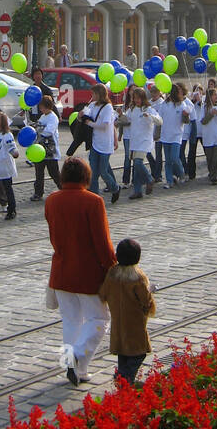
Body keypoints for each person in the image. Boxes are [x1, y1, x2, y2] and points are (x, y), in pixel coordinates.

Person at [45, 157, 116, 387]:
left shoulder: (52, 200)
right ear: (87, 175)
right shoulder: (93, 201)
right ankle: (77, 355)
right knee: (99, 318)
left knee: (70, 321)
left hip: (61, 271)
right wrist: (112, 267)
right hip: (87, 272)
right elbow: (102, 242)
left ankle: (76, 369)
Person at [98, 238, 156, 385]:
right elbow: (145, 301)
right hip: (135, 325)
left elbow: (103, 294)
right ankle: (125, 379)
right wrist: (151, 291)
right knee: (138, 354)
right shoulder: (138, 277)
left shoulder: (112, 273)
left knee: (123, 353)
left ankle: (123, 378)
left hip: (118, 324)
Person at [84, 83, 121, 203]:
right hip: (94, 143)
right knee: (93, 173)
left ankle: (115, 188)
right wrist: (81, 116)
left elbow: (105, 125)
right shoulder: (92, 104)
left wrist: (90, 123)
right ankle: (94, 198)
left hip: (105, 143)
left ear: (100, 94)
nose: (92, 96)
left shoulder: (108, 108)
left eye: (94, 93)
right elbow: (84, 115)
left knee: (104, 171)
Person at [124, 86, 157, 198]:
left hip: (145, 141)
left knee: (138, 162)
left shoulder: (148, 109)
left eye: (139, 98)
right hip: (135, 141)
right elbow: (126, 119)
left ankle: (149, 179)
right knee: (136, 167)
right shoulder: (132, 109)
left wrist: (150, 116)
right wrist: (118, 115)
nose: (137, 100)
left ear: (143, 98)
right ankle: (137, 191)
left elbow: (159, 121)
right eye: (135, 98)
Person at [29, 95, 62, 200]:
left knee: (54, 173)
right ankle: (38, 193)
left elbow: (49, 131)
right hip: (39, 149)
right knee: (39, 172)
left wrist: (38, 131)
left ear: (47, 106)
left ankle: (63, 188)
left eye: (42, 107)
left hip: (50, 150)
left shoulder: (53, 117)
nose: (40, 109)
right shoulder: (43, 116)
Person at [155, 84, 187, 189]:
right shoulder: (164, 104)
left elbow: (185, 121)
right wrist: (157, 133)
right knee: (168, 160)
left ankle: (181, 173)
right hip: (165, 136)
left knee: (174, 157)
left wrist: (186, 115)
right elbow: (160, 120)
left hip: (176, 135)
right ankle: (169, 181)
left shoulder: (181, 105)